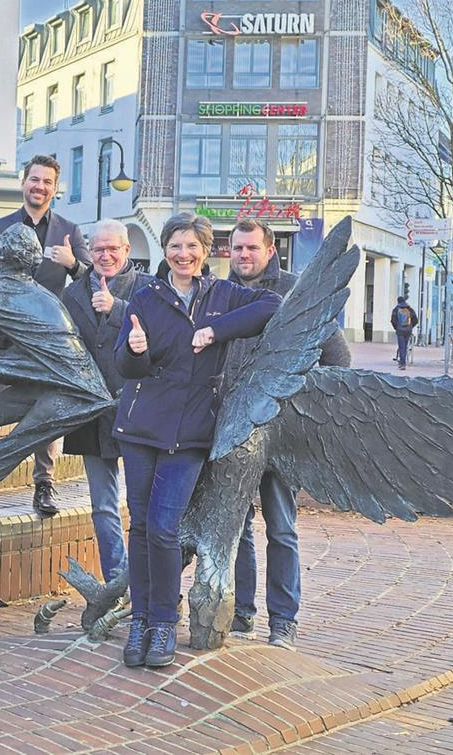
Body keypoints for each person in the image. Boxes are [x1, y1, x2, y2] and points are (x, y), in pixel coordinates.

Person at [114, 212, 279, 668]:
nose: (183, 254)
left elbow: (271, 306)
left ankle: (165, 621)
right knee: (141, 526)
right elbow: (125, 368)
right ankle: (140, 621)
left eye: (192, 246)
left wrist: (216, 329)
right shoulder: (145, 297)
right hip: (141, 426)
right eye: (175, 246)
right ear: (164, 250)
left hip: (189, 433)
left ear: (207, 252)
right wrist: (135, 351)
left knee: (164, 526)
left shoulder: (222, 294)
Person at [225, 218, 350, 651]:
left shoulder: (297, 291)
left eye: (251, 248)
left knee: (281, 528)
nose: (244, 255)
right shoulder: (220, 295)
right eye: (237, 248)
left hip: (280, 436)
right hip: (232, 434)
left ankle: (283, 620)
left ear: (270, 250)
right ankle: (241, 612)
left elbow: (337, 358)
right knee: (236, 529)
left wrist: (301, 408)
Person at [0, 155, 91, 515]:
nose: (40, 187)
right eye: (35, 179)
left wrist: (72, 263)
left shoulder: (70, 231)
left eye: (47, 182)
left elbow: (91, 280)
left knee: (46, 410)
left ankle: (45, 484)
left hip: (47, 340)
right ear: (24, 183)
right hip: (4, 333)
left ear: (55, 188)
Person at [62, 220, 149, 585]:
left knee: (145, 506)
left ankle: (148, 583)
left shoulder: (147, 288)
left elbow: (160, 332)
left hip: (139, 410)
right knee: (102, 505)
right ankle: (117, 581)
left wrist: (117, 308)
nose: (106, 255)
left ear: (127, 250)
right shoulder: (72, 293)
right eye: (99, 249)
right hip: (91, 413)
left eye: (113, 248)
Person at [391, 295, 419, 370]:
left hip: (400, 331)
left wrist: (396, 327)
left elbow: (393, 320)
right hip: (408, 331)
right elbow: (416, 320)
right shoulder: (410, 309)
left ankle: (402, 363)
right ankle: (403, 362)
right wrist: (410, 326)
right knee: (405, 346)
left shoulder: (396, 309)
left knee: (401, 347)